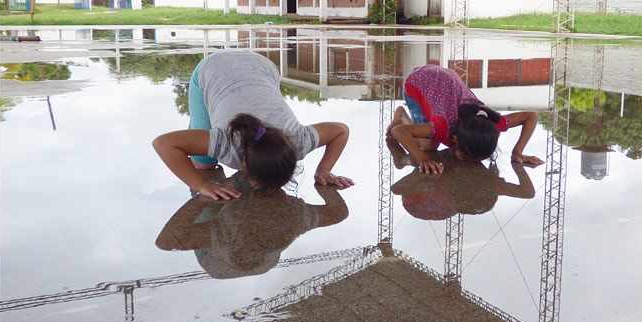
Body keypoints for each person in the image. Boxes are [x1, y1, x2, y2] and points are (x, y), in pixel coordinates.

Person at [152, 50, 354, 201]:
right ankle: (199, 128)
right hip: (213, 68)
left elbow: (341, 130)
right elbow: (163, 143)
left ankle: (200, 131)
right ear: (244, 162)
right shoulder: (226, 141)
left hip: (262, 66)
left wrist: (324, 170)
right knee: (204, 164)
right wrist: (202, 185)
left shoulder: (300, 140)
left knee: (205, 141)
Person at [155, 171, 349, 279]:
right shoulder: (298, 214)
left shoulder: (227, 229)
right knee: (244, 182)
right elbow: (338, 213)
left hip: (216, 263)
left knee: (209, 180)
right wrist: (324, 184)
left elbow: (166, 242)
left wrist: (201, 198)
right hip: (262, 261)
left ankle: (216, 182)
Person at [386, 64, 543, 174]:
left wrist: (518, 153)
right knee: (429, 147)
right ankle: (401, 115)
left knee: (431, 141)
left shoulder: (491, 122)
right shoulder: (444, 127)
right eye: (467, 157)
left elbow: (531, 116)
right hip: (418, 83)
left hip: (443, 80)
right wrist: (421, 158)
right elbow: (398, 131)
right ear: (454, 139)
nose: (471, 163)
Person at [388, 144, 536, 220]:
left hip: (418, 202)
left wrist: (425, 172)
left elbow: (396, 188)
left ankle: (404, 160)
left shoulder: (438, 186)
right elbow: (527, 192)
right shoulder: (489, 186)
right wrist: (518, 162)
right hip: (448, 202)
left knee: (430, 158)